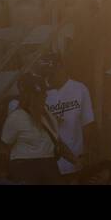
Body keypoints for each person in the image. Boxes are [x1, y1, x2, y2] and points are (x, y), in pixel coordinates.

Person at [1, 73, 73, 184]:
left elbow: (58, 142)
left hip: (49, 165)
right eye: (42, 93)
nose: (46, 96)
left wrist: (76, 161)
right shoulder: (16, 117)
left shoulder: (48, 115)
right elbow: (4, 149)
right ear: (31, 95)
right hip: (26, 168)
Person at [39, 52, 95, 182]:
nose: (49, 76)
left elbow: (88, 123)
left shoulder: (80, 89)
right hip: (50, 163)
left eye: (52, 72)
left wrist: (86, 153)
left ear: (61, 67)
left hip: (75, 161)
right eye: (47, 73)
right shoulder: (41, 92)